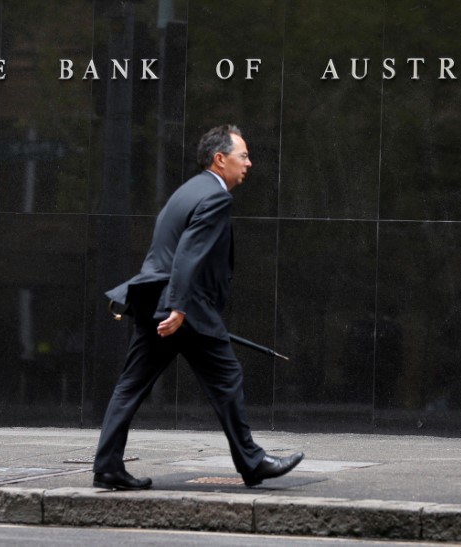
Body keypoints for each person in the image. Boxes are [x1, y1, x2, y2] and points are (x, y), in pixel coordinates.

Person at [92, 125, 304, 490]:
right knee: (227, 379)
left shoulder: (187, 191)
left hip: (158, 303)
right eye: (243, 156)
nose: (249, 164)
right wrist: (178, 307)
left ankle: (108, 466)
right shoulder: (216, 197)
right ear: (220, 159)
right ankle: (252, 463)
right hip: (185, 310)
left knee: (130, 386)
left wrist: (167, 305)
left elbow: (164, 251)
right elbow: (188, 255)